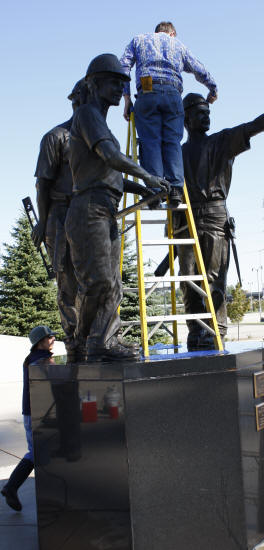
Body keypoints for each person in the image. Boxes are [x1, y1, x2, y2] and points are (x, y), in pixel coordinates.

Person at [178, 93, 264, 349]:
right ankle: (195, 330)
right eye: (200, 112)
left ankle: (214, 331)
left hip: (214, 217)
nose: (207, 116)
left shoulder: (222, 141)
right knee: (187, 281)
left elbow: (256, 125)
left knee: (212, 279)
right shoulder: (177, 151)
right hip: (184, 220)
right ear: (185, 118)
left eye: (208, 112)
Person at [65, 53, 170, 362]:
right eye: (112, 82)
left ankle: (103, 341)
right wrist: (148, 174)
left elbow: (113, 177)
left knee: (113, 285)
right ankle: (82, 340)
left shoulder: (101, 124)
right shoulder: (86, 115)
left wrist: (146, 188)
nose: (117, 88)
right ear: (94, 84)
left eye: (120, 83)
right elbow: (111, 156)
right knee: (97, 281)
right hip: (88, 209)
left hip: (104, 208)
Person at [119, 21, 217, 207]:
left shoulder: (139, 40)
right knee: (172, 141)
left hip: (147, 90)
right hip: (172, 94)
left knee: (150, 141)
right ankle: (175, 190)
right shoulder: (178, 45)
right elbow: (198, 68)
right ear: (172, 33)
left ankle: (155, 191)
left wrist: (126, 99)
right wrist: (212, 89)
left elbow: (123, 66)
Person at [31, 79, 88, 362]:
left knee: (95, 281)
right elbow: (43, 184)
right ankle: (76, 343)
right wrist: (42, 223)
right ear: (77, 101)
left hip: (89, 218)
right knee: (68, 283)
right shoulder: (56, 137)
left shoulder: (95, 138)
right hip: (60, 217)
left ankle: (94, 338)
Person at [1, 325, 55, 511]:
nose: (53, 339)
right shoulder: (40, 361)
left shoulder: (31, 359)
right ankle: (11, 487)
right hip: (37, 412)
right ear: (41, 342)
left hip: (33, 412)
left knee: (39, 451)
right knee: (36, 452)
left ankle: (12, 488)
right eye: (50, 337)